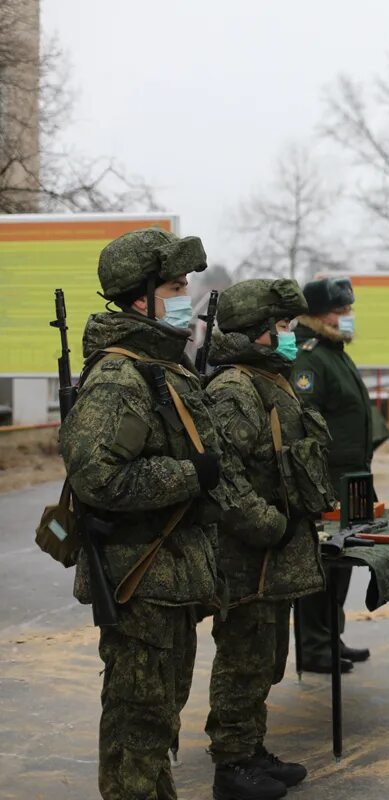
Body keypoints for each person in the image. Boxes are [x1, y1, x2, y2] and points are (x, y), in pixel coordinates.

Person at [57, 228, 226, 799]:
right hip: (140, 582)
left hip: (167, 579)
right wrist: (190, 474)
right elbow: (97, 478)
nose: (187, 296)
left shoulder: (159, 367)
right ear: (140, 298)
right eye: (176, 287)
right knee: (138, 729)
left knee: (159, 721)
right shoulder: (119, 377)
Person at [203, 279, 337, 799]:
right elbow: (222, 474)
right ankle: (231, 764)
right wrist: (267, 524)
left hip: (275, 554)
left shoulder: (270, 380)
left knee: (265, 656)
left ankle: (251, 749)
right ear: (256, 333)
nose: (288, 335)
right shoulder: (234, 389)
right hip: (249, 556)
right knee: (242, 657)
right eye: (281, 327)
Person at [292, 277, 376, 673]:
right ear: (314, 315)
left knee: (340, 564)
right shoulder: (309, 356)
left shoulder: (334, 351)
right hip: (327, 478)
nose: (348, 318)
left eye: (349, 310)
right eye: (339, 311)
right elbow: (304, 423)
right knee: (322, 564)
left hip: (351, 476)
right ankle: (313, 646)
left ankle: (331, 636)